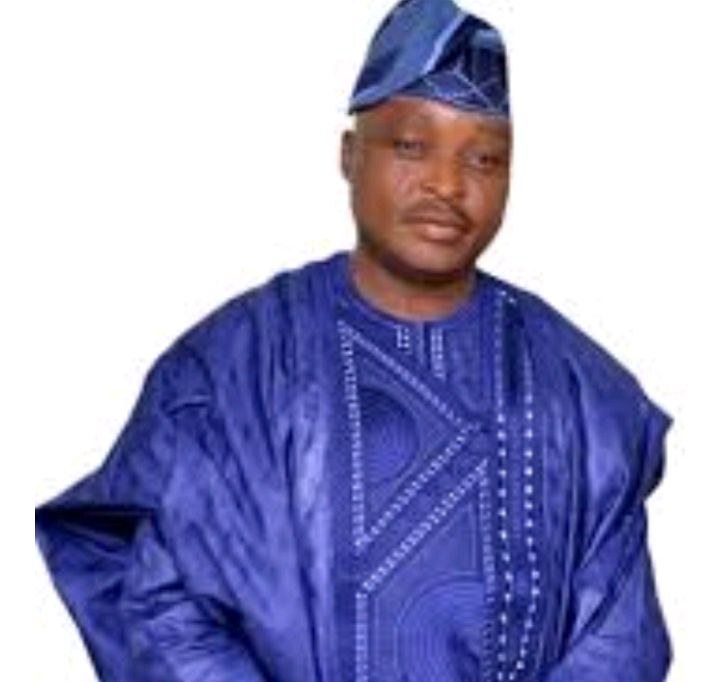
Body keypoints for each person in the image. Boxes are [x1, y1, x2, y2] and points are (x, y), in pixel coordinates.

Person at [35, 1, 673, 680]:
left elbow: (619, 641)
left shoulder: (582, 393)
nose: (447, 184)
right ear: (349, 156)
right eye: (411, 147)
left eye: (484, 158)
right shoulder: (232, 371)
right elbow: (160, 603)